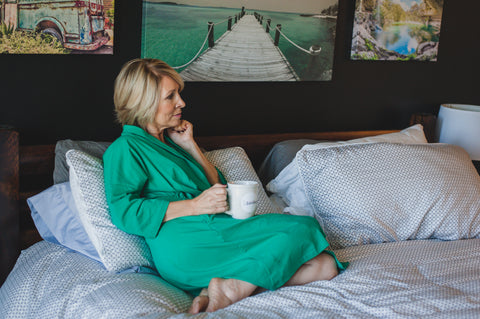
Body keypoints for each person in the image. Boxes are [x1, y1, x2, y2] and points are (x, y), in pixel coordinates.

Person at [103, 58, 347, 314]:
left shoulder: (173, 142)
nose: (181, 103)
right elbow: (124, 212)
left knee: (324, 267)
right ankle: (232, 288)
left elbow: (218, 188)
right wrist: (195, 205)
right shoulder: (126, 148)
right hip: (187, 243)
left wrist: (191, 146)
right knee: (303, 227)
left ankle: (227, 289)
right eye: (170, 96)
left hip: (220, 229)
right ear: (144, 102)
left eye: (179, 94)